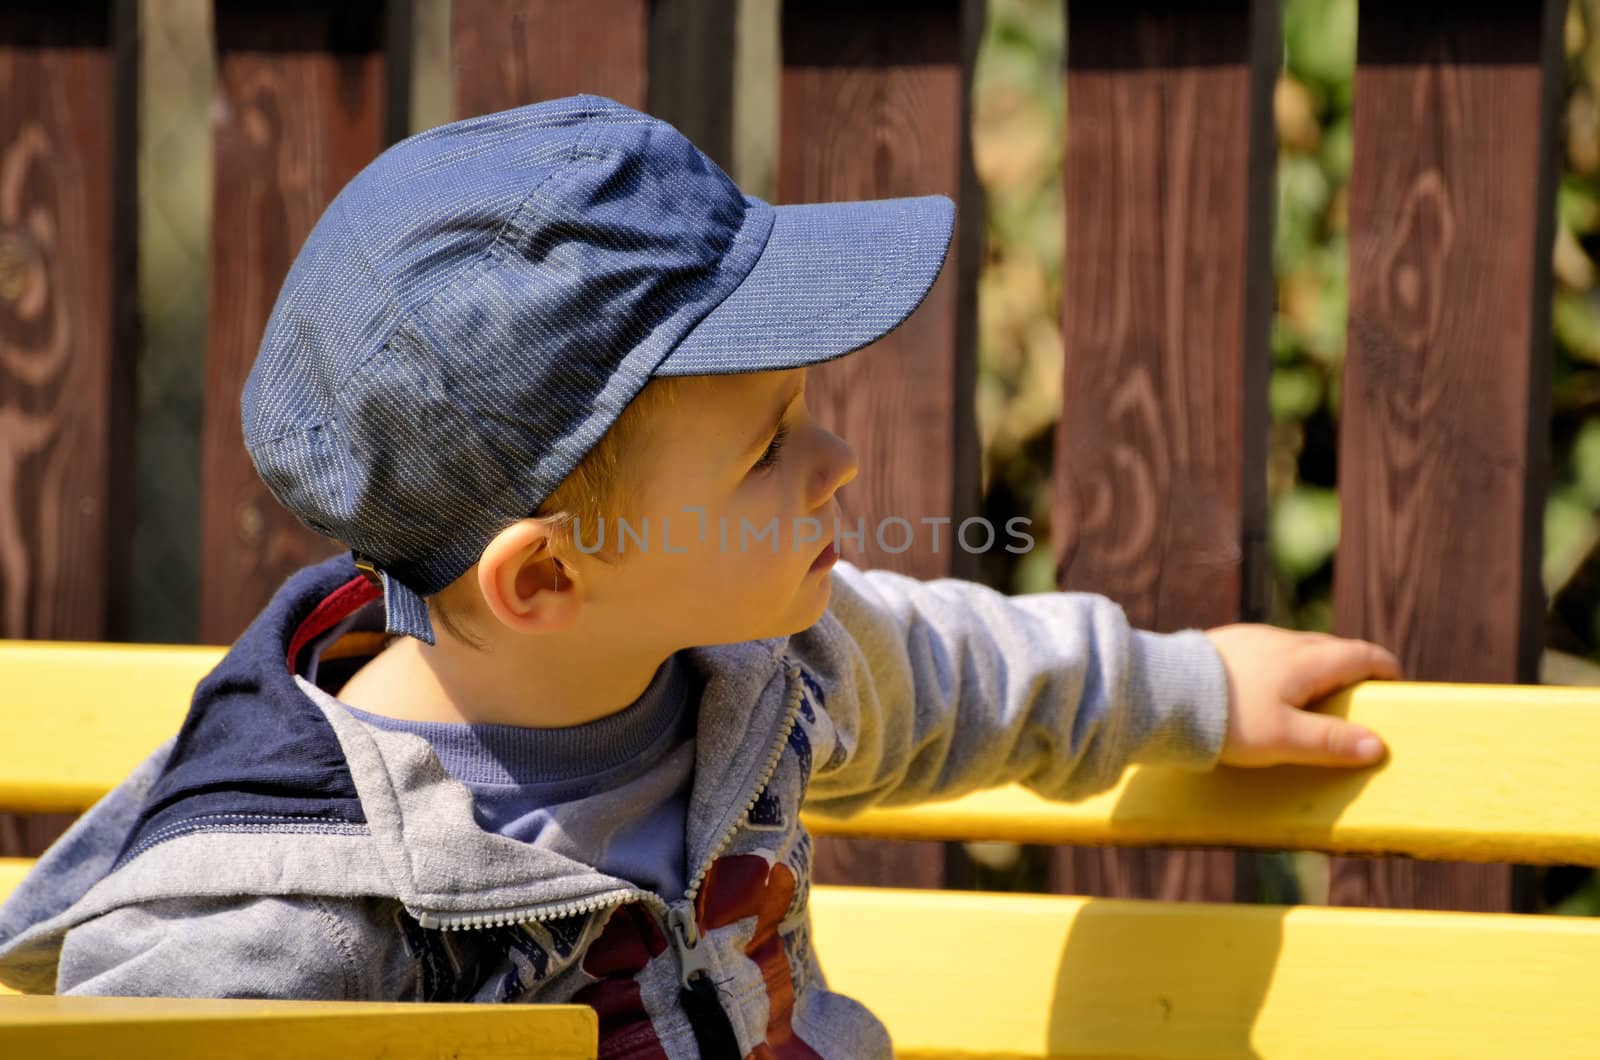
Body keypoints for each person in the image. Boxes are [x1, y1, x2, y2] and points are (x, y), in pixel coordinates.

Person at [0, 95, 1398, 1057]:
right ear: (544, 581)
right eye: (771, 447)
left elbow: (973, 676)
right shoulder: (285, 908)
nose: (843, 460)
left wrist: (1197, 684)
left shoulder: (772, 669)